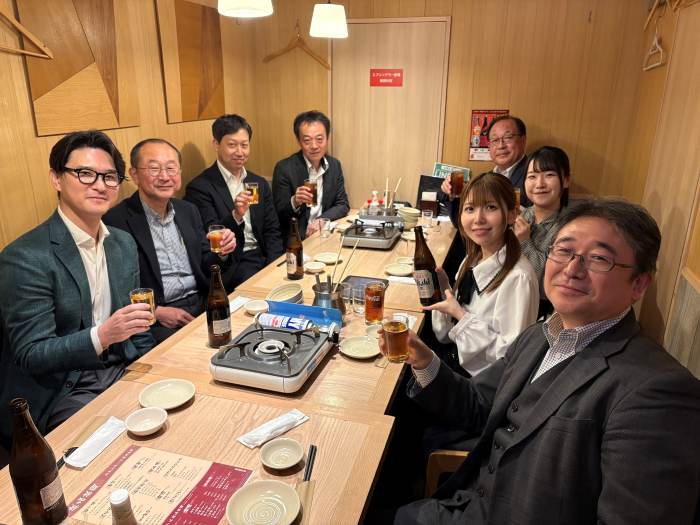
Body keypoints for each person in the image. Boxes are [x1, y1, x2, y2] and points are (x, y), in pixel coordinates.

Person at [383, 199, 700, 525]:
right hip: (466, 506)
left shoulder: (658, 392)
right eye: (564, 250)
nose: (572, 269)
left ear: (639, 284)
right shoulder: (541, 335)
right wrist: (424, 360)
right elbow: (478, 406)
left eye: (599, 258)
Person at [0, 130, 155, 448]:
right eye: (85, 173)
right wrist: (103, 335)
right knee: (119, 450)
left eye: (109, 176)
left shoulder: (122, 243)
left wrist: (154, 368)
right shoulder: (25, 257)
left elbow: (137, 324)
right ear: (56, 179)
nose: (100, 185)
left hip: (121, 366)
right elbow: (32, 354)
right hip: (64, 389)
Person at [103, 139, 241, 343]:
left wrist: (221, 252)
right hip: (158, 317)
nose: (165, 176)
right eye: (154, 169)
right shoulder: (116, 220)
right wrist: (156, 311)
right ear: (134, 174)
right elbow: (114, 286)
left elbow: (205, 262)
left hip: (203, 301)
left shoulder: (188, 210)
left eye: (171, 168)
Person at [428, 172, 539, 377]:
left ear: (512, 215)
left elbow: (509, 360)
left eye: (491, 207)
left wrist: (460, 316)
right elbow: (445, 336)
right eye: (470, 209)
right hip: (453, 364)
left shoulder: (518, 277)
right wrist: (445, 292)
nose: (478, 219)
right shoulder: (472, 259)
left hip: (480, 386)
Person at [185, 114, 284, 291]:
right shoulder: (200, 187)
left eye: (244, 145)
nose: (240, 152)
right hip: (234, 262)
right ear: (216, 144)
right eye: (232, 145)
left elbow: (272, 230)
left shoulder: (258, 183)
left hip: (263, 257)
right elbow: (213, 235)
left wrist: (275, 265)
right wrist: (236, 215)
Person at [272, 110, 350, 240]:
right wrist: (295, 201)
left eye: (319, 139)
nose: (314, 146)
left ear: (327, 138)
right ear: (299, 141)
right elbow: (277, 215)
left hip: (324, 234)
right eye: (307, 140)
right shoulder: (284, 168)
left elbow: (342, 204)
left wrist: (322, 220)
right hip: (298, 240)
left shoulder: (334, 165)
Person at [514, 146, 570, 318]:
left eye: (549, 175)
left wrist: (524, 242)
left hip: (539, 310)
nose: (539, 184)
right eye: (532, 176)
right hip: (511, 297)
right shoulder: (523, 215)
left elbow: (545, 283)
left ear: (566, 180)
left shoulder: (569, 228)